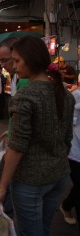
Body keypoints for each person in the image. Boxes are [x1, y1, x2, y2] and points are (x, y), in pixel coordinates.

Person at [0, 36, 75, 236]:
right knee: (44, 228)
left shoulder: (26, 96)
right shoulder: (65, 93)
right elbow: (67, 138)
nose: (14, 66)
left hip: (31, 179)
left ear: (31, 59)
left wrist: (2, 187)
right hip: (58, 175)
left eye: (17, 61)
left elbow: (17, 146)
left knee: (31, 231)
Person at [0, 36, 30, 217]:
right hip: (16, 140)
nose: (7, 66)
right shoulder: (18, 78)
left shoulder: (26, 82)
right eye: (0, 61)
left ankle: (3, 223)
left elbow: (25, 126)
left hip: (20, 147)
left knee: (5, 190)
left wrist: (1, 187)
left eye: (8, 60)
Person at [59, 86, 80, 228]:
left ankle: (67, 204)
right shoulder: (76, 95)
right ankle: (67, 206)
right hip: (76, 151)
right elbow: (65, 118)